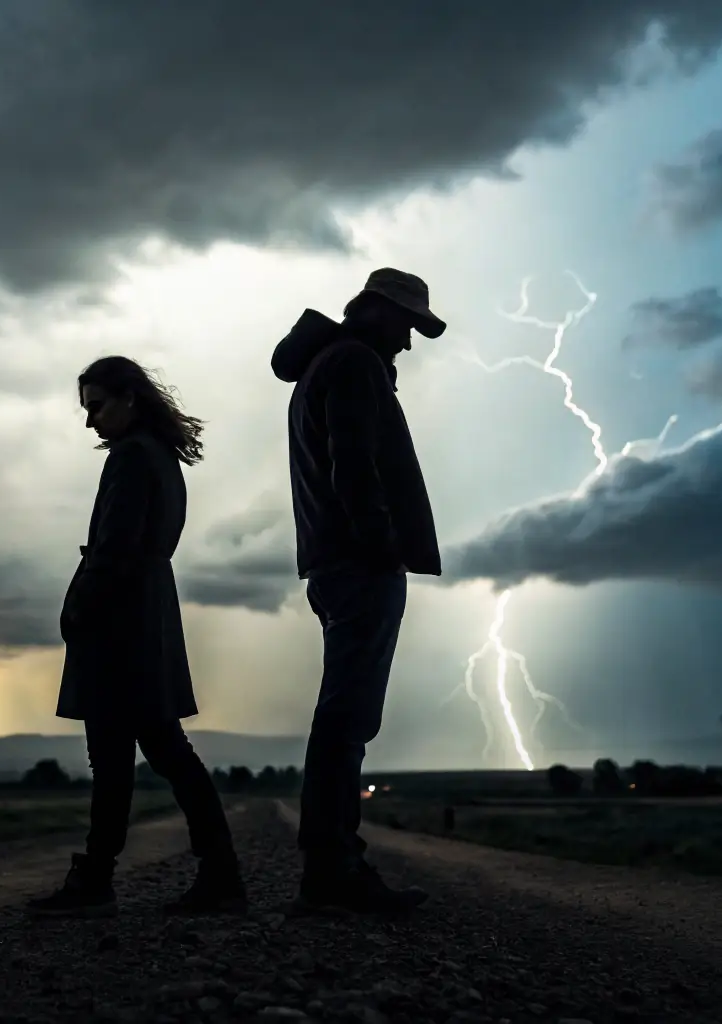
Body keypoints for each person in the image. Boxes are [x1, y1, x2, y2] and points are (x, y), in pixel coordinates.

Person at [27, 356, 246, 919]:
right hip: (143, 612)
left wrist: (78, 609)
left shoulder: (132, 457)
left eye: (96, 406)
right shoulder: (159, 457)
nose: (90, 421)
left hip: (119, 618)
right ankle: (207, 873)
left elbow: (115, 547)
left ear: (128, 397)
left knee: (127, 755)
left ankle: (103, 881)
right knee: (159, 751)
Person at [270, 267, 447, 914]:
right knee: (347, 720)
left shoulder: (327, 364)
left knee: (343, 718)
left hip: (331, 562)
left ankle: (332, 867)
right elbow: (353, 464)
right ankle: (332, 873)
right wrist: (379, 546)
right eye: (404, 324)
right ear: (372, 312)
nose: (406, 342)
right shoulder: (352, 364)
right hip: (356, 563)